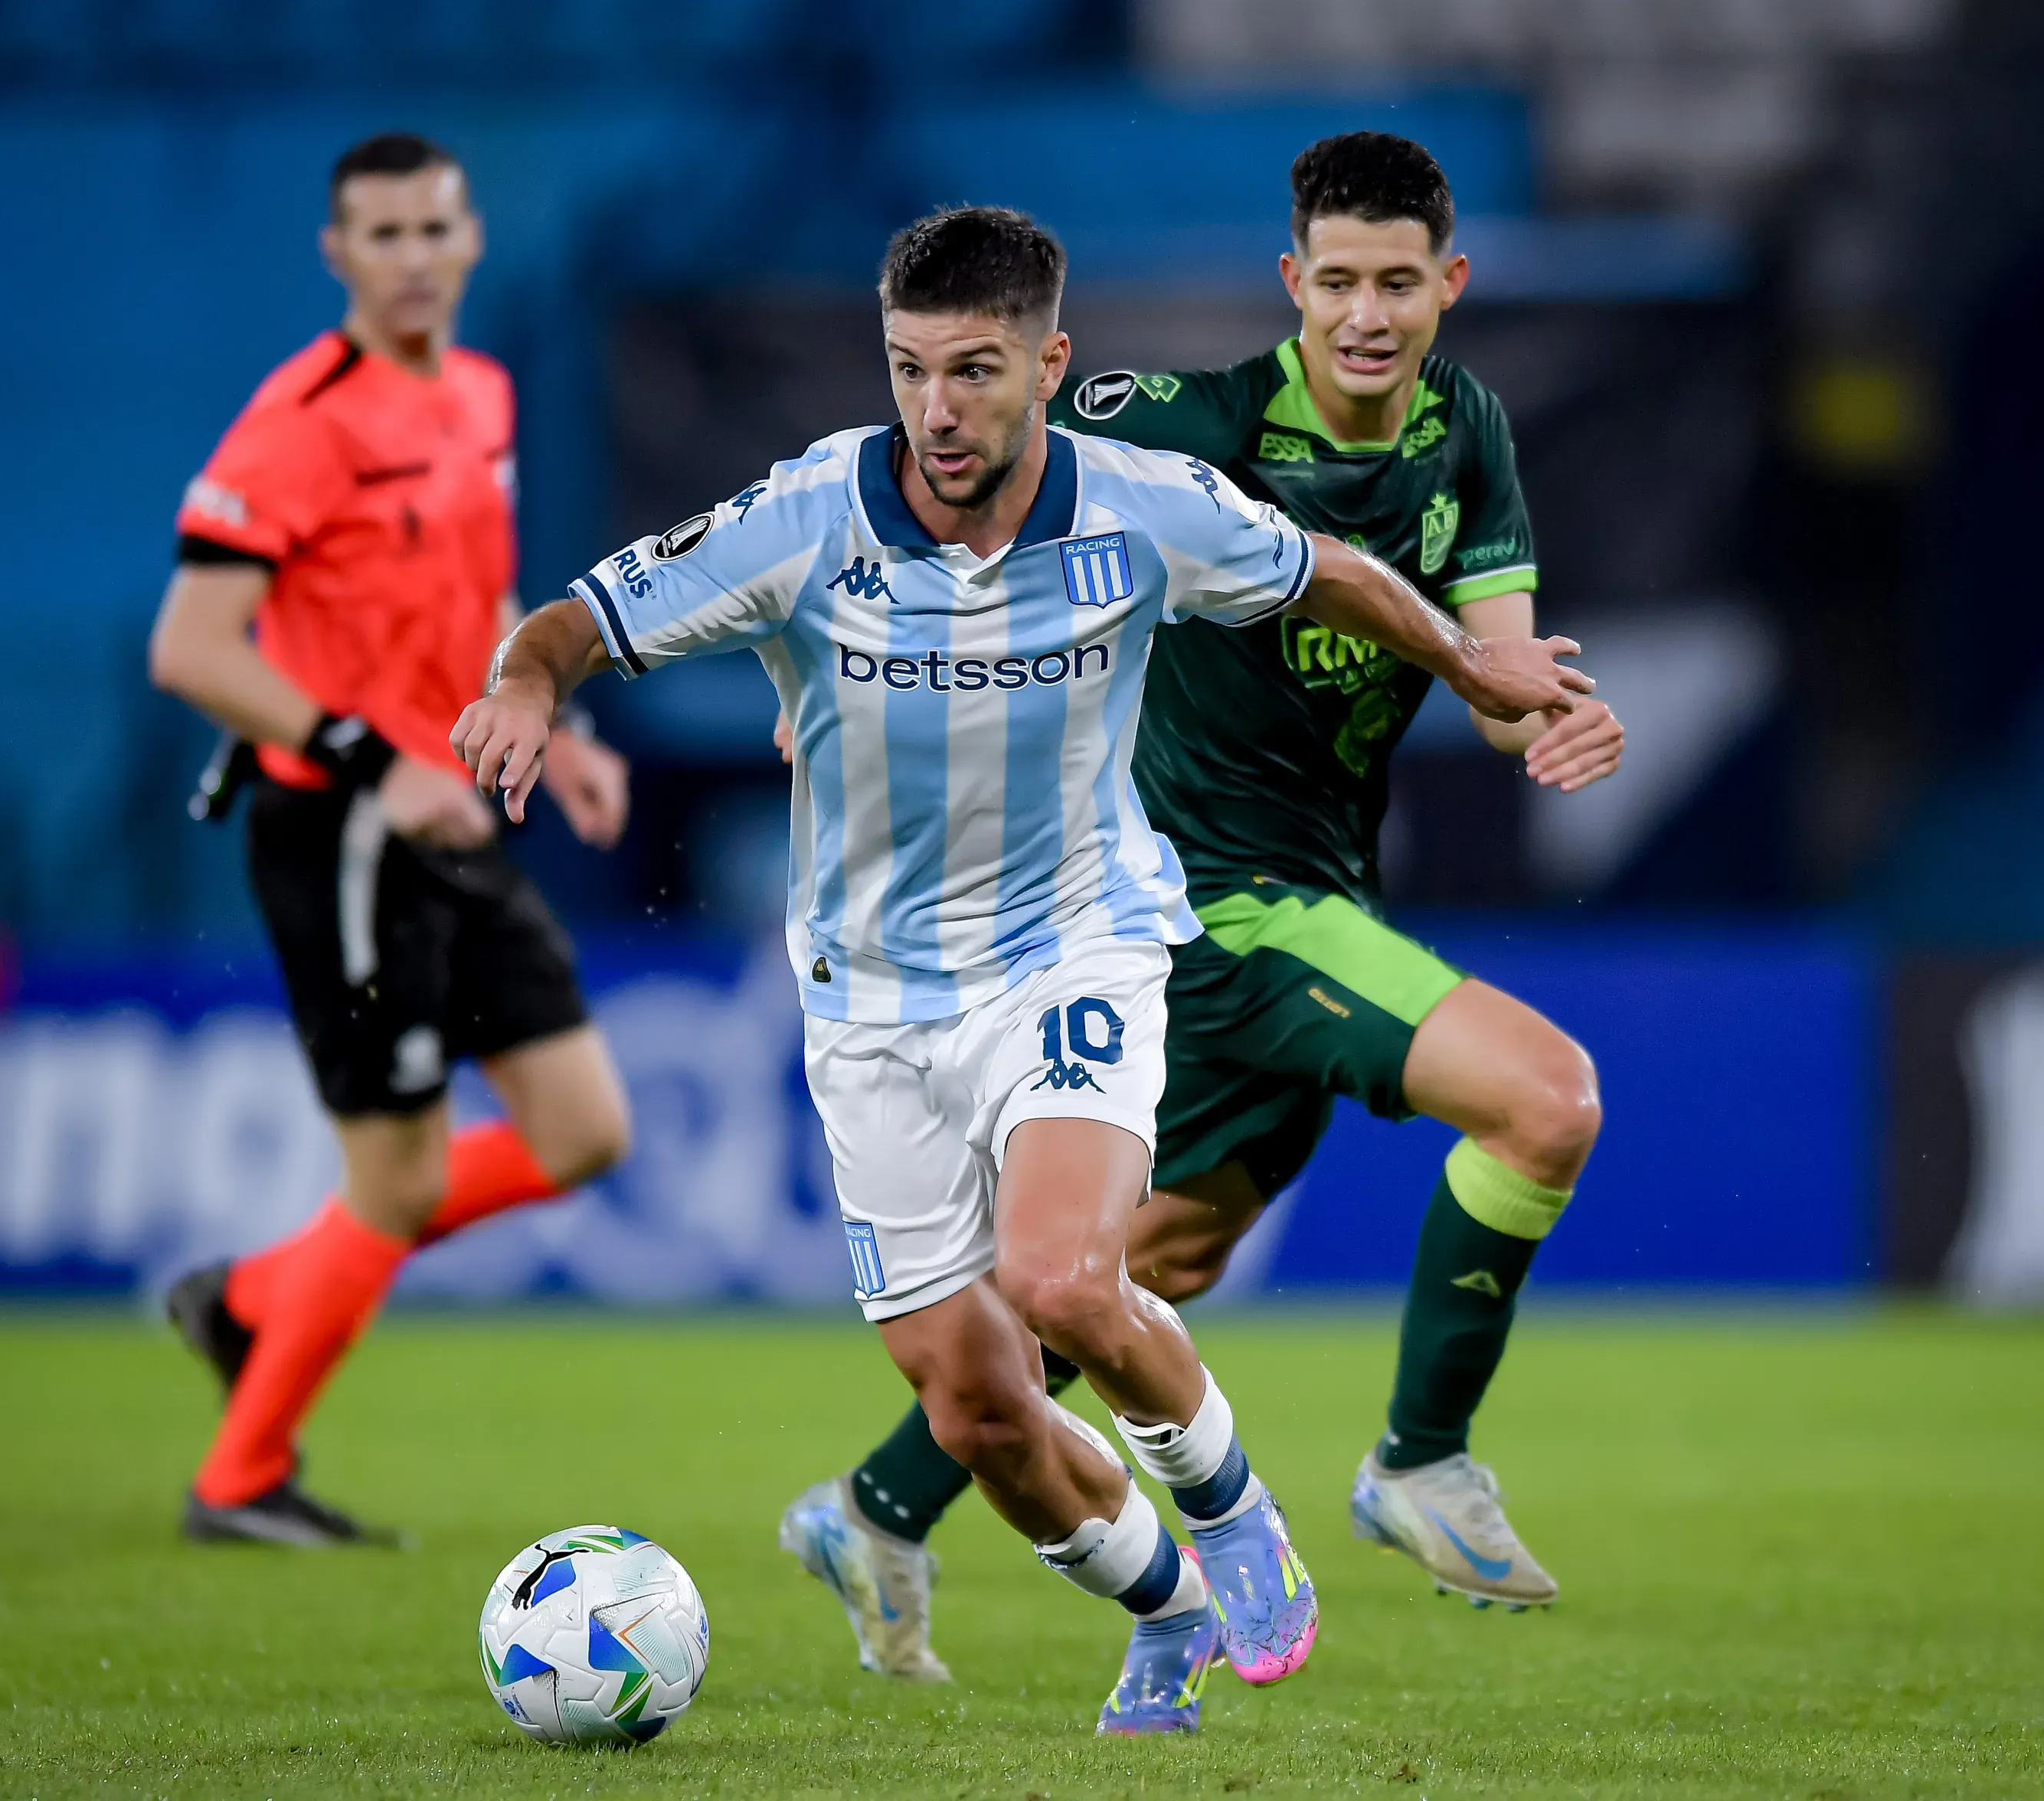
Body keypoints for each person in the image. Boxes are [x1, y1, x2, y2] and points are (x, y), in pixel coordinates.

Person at [453, 206, 1594, 1734]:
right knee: (978, 1405)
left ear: (1048, 366)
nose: (938, 409)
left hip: (1076, 947)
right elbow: (582, 618)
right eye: (911, 369)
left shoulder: (1142, 509)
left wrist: (1469, 662)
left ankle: (1238, 1520)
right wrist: (525, 686)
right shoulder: (805, 521)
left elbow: (1323, 571)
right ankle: (1167, 1615)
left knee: (1064, 1273)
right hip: (867, 1010)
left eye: (975, 372)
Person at [777, 132, 1627, 1683]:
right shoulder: (1184, 425)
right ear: (1292, 284)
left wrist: (1547, 719)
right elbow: (956, 461)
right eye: (1337, 281)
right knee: (1545, 1102)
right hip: (1211, 902)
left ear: (1449, 287)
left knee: (1139, 1272)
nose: (1366, 314)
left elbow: (1495, 680)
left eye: (1398, 282)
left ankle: (877, 1505)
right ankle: (1418, 1461)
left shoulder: (1467, 436)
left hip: (1314, 887)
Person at [147, 132, 636, 1547]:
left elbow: (468, 612)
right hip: (346, 827)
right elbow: (192, 646)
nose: (414, 258)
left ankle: (253, 1298)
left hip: (451, 808)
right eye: (383, 234)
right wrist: (370, 761)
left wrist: (557, 725)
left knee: (584, 1129)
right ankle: (238, 1481)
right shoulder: (298, 422)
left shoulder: (480, 394)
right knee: (403, 1176)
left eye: (435, 229)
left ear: (472, 237)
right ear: (338, 253)